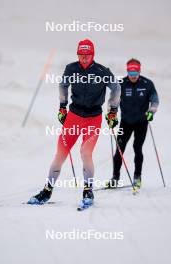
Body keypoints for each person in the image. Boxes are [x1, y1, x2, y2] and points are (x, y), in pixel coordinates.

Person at [28, 39, 121, 205]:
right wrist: (62, 107)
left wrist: (112, 111)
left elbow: (116, 88)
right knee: (60, 154)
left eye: (87, 55)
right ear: (78, 54)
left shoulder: (102, 71)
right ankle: (47, 191)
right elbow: (63, 85)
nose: (84, 58)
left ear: (93, 55)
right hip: (74, 116)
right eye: (81, 55)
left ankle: (88, 191)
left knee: (86, 153)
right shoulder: (71, 69)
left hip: (93, 118)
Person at [108, 58, 159, 189]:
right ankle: (115, 177)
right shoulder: (121, 84)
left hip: (141, 122)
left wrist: (151, 112)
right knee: (119, 149)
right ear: (127, 72)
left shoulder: (147, 84)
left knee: (137, 148)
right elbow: (113, 102)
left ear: (139, 71)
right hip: (126, 122)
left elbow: (154, 100)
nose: (133, 76)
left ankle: (137, 177)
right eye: (131, 73)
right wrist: (111, 115)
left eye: (135, 73)